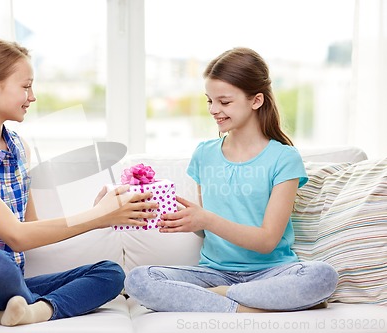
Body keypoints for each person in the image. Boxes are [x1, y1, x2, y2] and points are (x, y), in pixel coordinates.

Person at [0, 37, 157, 326]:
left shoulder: (19, 148)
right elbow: (16, 236)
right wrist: (97, 216)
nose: (32, 97)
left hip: (11, 286)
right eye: (25, 86)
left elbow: (31, 228)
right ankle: (25, 306)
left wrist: (99, 211)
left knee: (110, 273)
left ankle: (30, 312)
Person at [124, 47, 339, 313]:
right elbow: (207, 228)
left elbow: (267, 240)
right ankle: (249, 306)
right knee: (138, 279)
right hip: (213, 274)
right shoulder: (205, 154)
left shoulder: (284, 158)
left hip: (272, 272)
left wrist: (206, 219)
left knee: (322, 276)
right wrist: (179, 216)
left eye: (224, 102)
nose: (214, 110)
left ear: (256, 100)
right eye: (209, 101)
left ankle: (221, 298)